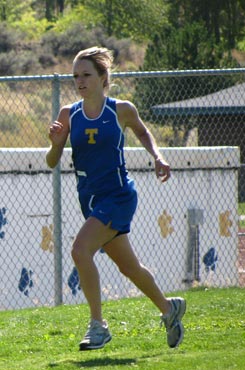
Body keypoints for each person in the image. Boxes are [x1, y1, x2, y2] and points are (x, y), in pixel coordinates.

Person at [47, 46, 186, 351]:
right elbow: (51, 161)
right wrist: (57, 144)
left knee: (80, 250)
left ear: (102, 76)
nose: (79, 81)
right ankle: (168, 308)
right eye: (75, 76)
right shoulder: (68, 115)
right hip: (92, 201)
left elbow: (142, 132)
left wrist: (158, 157)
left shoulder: (121, 109)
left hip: (119, 196)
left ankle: (98, 326)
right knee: (129, 267)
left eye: (86, 75)